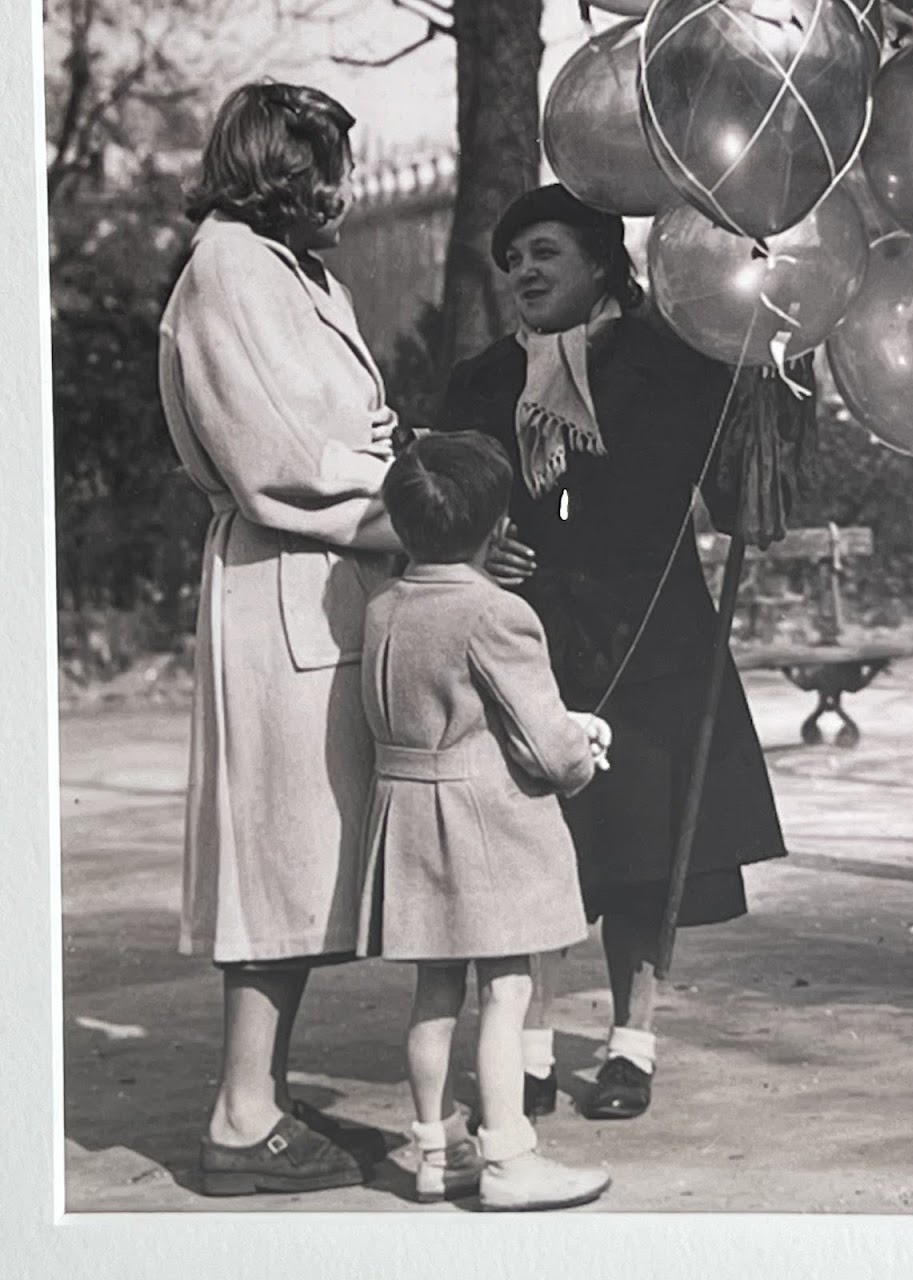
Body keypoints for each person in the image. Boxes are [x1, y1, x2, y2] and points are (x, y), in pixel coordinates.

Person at [436, 184, 787, 1120]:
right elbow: (437, 491)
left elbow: (739, 482)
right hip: (526, 646)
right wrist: (481, 542)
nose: (524, 274)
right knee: (535, 853)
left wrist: (769, 378)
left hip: (651, 636)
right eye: (512, 261)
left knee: (641, 853)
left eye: (545, 253)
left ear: (600, 263)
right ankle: (534, 1051)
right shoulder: (480, 381)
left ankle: (634, 1043)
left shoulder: (675, 363)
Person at [158, 82, 403, 1194]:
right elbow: (276, 459)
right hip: (282, 582)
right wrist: (412, 488)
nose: (341, 195)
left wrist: (378, 441)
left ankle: (259, 1092)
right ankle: (240, 1116)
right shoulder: (229, 272)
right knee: (275, 858)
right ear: (280, 171)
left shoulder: (289, 272)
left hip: (323, 582)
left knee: (302, 859)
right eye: (325, 172)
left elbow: (322, 429)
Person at [355, 431, 613, 1211]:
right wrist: (585, 745)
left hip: (407, 818)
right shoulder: (497, 612)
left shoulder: (380, 606)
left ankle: (438, 1151)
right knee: (505, 989)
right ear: (496, 525)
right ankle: (510, 1158)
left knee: (434, 993)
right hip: (484, 827)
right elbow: (545, 745)